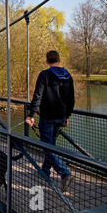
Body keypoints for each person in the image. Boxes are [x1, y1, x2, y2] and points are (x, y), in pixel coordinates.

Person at [25, 50, 75, 192]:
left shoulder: (45, 75)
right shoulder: (67, 76)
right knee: (51, 144)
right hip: (60, 118)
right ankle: (45, 170)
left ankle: (65, 173)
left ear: (47, 61)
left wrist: (31, 115)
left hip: (47, 117)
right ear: (59, 60)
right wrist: (67, 116)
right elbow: (71, 99)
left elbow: (38, 95)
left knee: (47, 147)